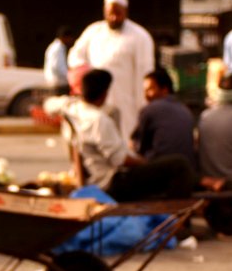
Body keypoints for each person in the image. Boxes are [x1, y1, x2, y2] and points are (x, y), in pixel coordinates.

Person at [69, 69, 195, 202]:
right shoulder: (99, 119)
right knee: (180, 165)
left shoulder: (76, 112)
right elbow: (120, 159)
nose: (146, 95)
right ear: (104, 93)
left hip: (103, 179)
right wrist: (144, 162)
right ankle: (174, 216)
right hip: (112, 182)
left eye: (150, 89)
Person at [67, 0, 155, 141]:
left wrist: (143, 104)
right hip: (97, 98)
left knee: (126, 137)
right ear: (104, 12)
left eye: (118, 14)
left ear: (125, 12)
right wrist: (85, 75)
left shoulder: (140, 36)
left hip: (126, 101)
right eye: (110, 14)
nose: (114, 18)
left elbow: (145, 72)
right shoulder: (94, 31)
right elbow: (75, 56)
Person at [131, 68, 196, 168]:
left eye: (150, 89)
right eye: (145, 91)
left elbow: (139, 146)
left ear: (165, 90)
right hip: (186, 172)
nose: (146, 95)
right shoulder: (185, 110)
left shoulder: (149, 110)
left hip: (160, 172)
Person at [43, 25, 76, 95]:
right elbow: (59, 67)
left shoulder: (55, 47)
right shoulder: (58, 48)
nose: (71, 40)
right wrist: (71, 78)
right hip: (59, 84)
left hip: (56, 83)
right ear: (65, 37)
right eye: (70, 38)